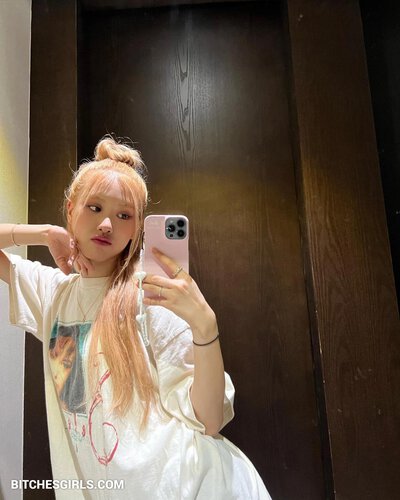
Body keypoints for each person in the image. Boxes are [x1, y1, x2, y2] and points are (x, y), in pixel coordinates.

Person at [0, 137, 271, 499]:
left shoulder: (152, 296)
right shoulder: (54, 294)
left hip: (195, 487)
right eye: (94, 207)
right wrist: (45, 234)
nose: (107, 224)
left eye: (124, 215)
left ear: (136, 228)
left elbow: (208, 420)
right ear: (70, 210)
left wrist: (205, 326)